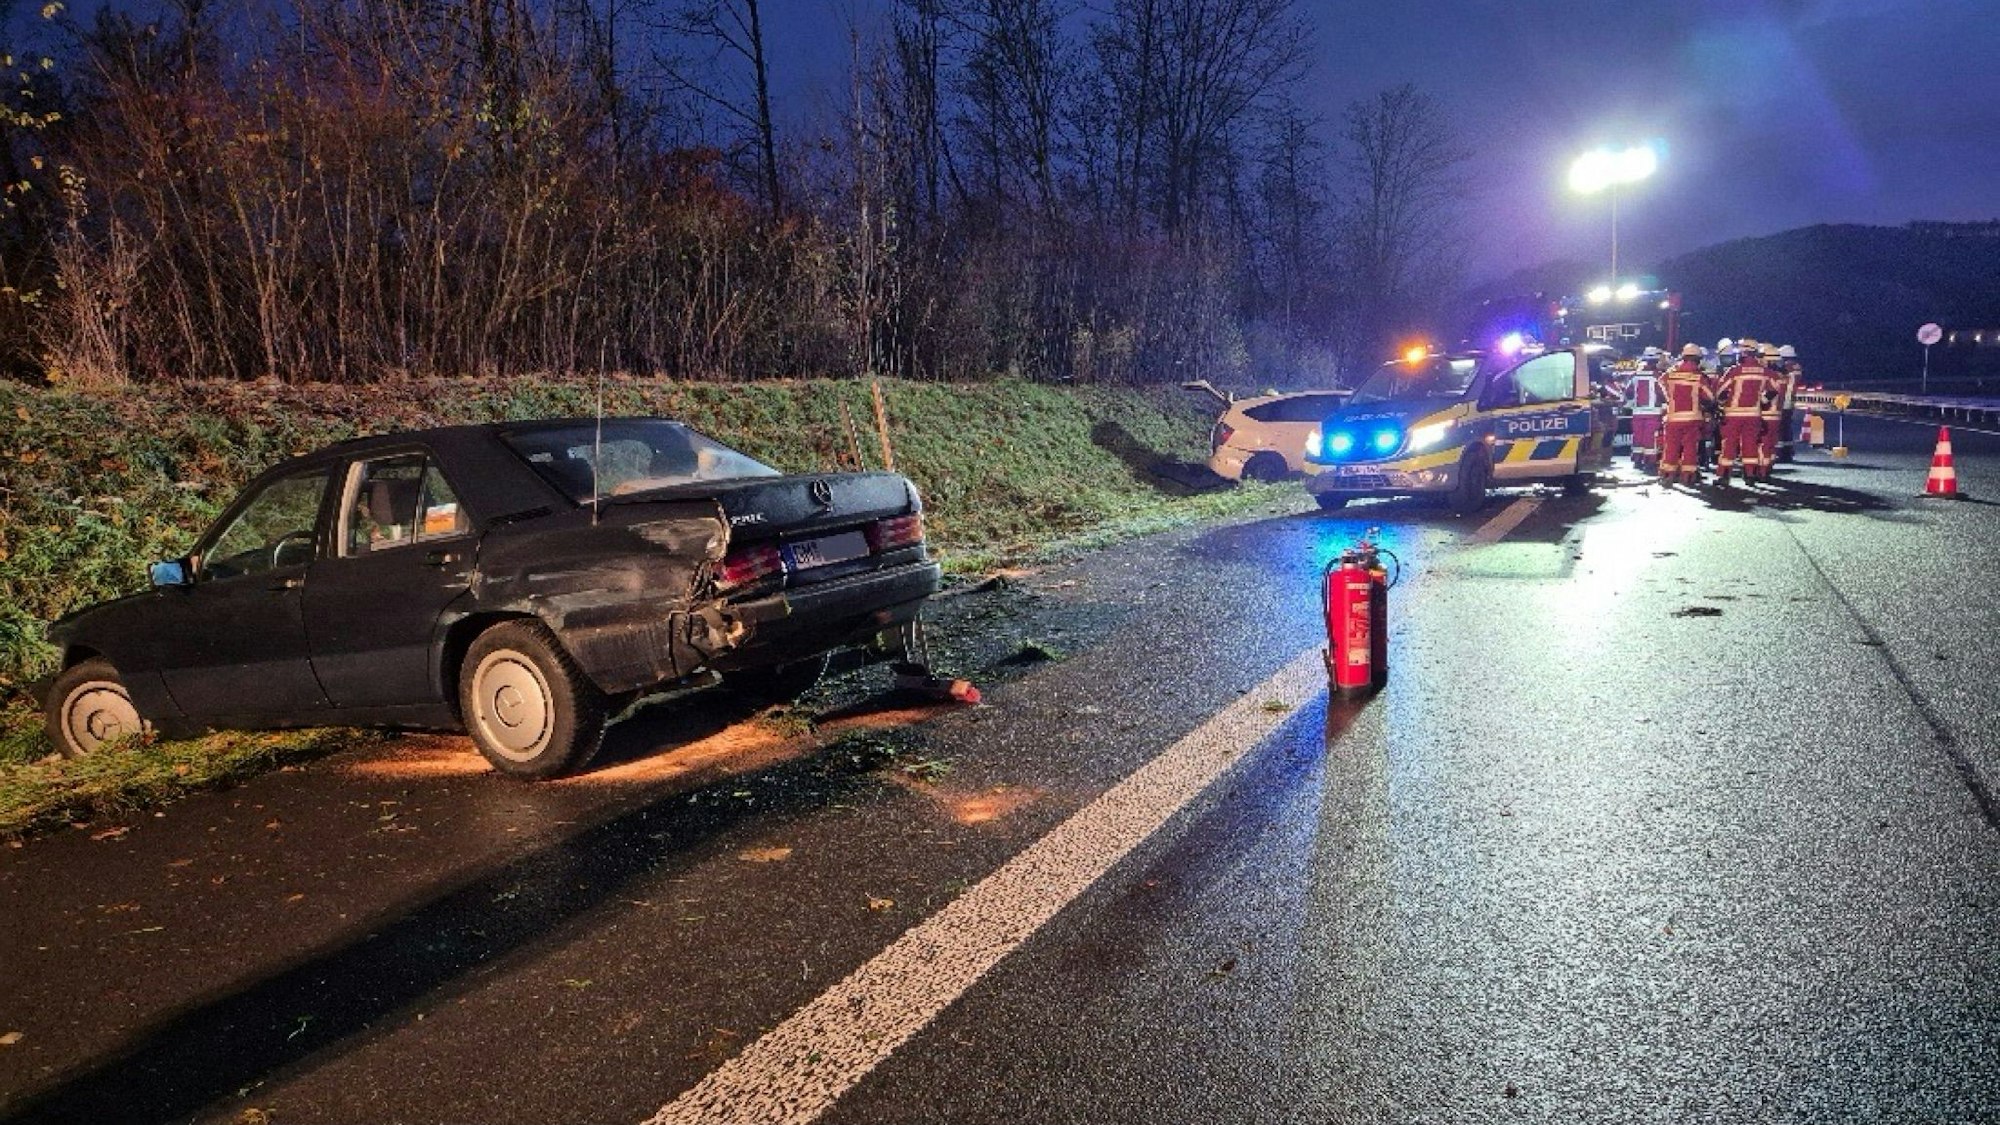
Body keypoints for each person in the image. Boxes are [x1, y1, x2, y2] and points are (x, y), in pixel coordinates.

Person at [1714, 341, 1772, 484]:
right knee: (1750, 444)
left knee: (1729, 445)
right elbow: (1773, 389)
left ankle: (1724, 475)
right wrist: (1762, 402)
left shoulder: (1734, 371)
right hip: (1753, 414)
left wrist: (1721, 405)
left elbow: (1721, 391)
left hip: (1733, 415)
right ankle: (1750, 475)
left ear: (1744, 353)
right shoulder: (1764, 371)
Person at [1658, 343, 1712, 485]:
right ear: (1698, 359)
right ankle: (1688, 476)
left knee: (1671, 447)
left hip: (1673, 417)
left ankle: (1668, 475)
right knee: (1690, 448)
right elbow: (1709, 397)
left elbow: (1661, 383)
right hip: (1692, 419)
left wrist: (1670, 399)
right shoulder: (1699, 377)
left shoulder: (1670, 374)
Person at [1758, 343, 1791, 476]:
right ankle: (1768, 468)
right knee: (1771, 444)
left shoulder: (1771, 375)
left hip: (1766, 414)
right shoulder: (1782, 375)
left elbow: (1768, 395)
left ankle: (1762, 471)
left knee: (1763, 444)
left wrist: (1756, 401)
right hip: (1776, 414)